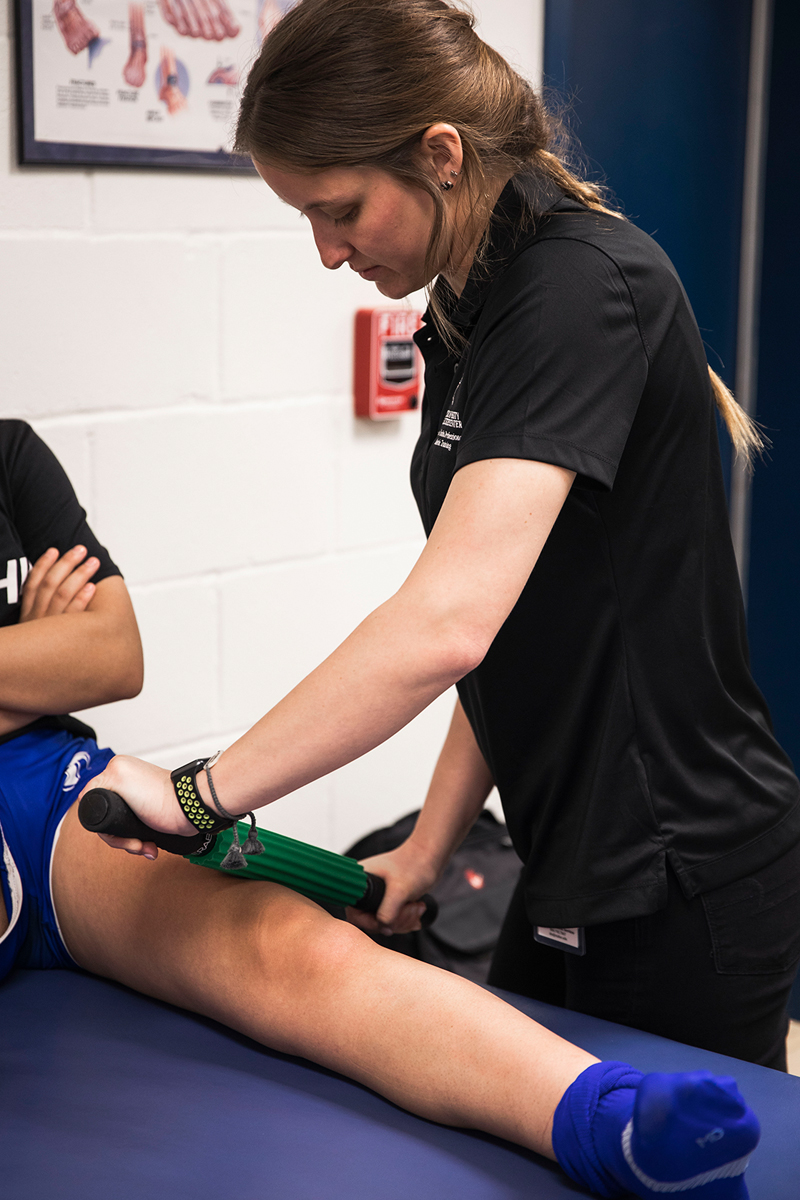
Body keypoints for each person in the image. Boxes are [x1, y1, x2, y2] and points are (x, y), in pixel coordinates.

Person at [91, 0, 800, 1073]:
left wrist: (199, 795)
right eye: (305, 222)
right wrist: (425, 848)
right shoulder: (469, 310)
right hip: (565, 857)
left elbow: (445, 627)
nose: (327, 254)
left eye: (338, 211)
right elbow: (507, 626)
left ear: (439, 154)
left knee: (654, 1159)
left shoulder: (573, 289)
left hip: (680, 877)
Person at [0, 418, 761, 1199]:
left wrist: (68, 666)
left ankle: (611, 1122)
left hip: (42, 787)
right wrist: (36, 654)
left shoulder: (11, 453)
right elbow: (77, 656)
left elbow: (114, 655)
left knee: (290, 945)